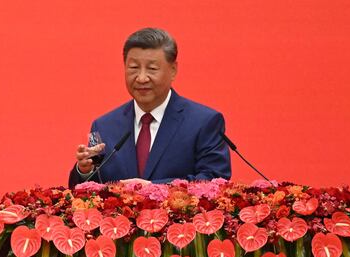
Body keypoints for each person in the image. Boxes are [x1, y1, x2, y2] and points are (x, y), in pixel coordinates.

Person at [69, 28, 232, 187]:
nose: (141, 78)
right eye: (133, 68)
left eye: (152, 69)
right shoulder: (102, 126)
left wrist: (153, 188)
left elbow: (214, 181)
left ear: (173, 70)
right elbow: (88, 190)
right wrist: (84, 170)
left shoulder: (205, 122)